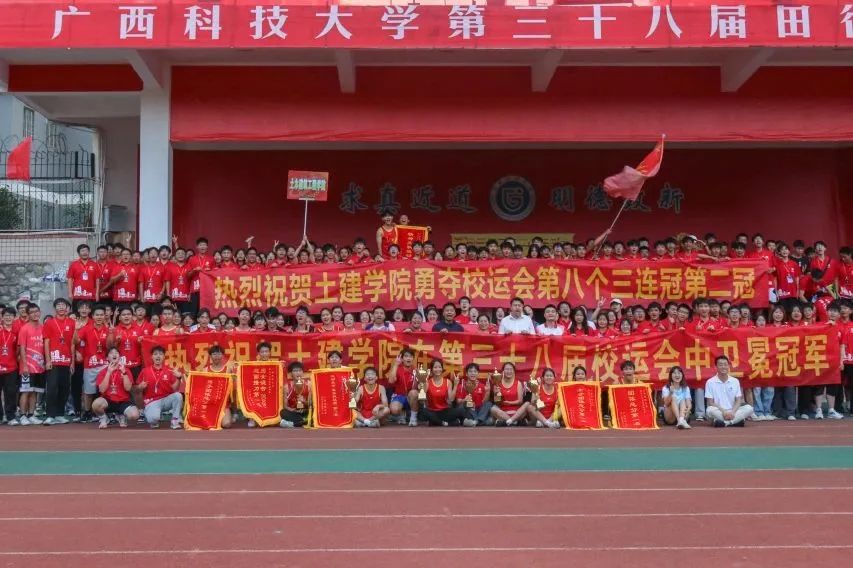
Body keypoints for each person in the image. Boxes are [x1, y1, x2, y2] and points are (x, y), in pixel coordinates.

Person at [42, 298, 75, 425]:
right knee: (52, 388)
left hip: (66, 361)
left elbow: (73, 343)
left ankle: (60, 414)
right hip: (54, 361)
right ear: (55, 308)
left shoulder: (72, 323)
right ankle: (50, 415)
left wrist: (72, 362)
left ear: (67, 308)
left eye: (63, 305)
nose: (61, 307)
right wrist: (48, 360)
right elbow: (46, 342)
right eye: (59, 305)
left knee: (64, 388)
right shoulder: (49, 323)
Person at [136, 345, 184, 429]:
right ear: (151, 357)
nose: (158, 356)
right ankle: (153, 414)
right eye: (155, 354)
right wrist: (140, 387)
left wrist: (179, 378)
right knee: (153, 420)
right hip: (152, 401)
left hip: (166, 400)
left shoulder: (169, 370)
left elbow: (175, 388)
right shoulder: (145, 371)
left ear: (164, 357)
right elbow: (136, 389)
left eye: (160, 354)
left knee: (178, 395)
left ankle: (175, 420)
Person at [92, 347, 140, 429]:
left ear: (119, 357)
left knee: (134, 415)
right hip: (108, 401)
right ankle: (104, 418)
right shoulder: (102, 372)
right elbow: (102, 390)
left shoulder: (126, 370)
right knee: (96, 404)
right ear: (107, 358)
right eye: (111, 353)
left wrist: (124, 373)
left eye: (116, 353)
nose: (114, 354)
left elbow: (128, 388)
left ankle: (122, 415)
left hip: (123, 401)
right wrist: (108, 372)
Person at [704, 355, 753, 427]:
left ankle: (725, 423)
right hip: (719, 411)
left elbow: (738, 400)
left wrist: (733, 412)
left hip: (733, 411)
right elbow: (710, 402)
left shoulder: (735, 381)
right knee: (709, 410)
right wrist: (723, 411)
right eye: (720, 365)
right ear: (716, 367)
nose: (723, 367)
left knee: (749, 408)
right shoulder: (710, 382)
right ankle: (736, 421)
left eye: (725, 364)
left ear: (728, 366)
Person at [17, 303, 45, 425]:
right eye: (32, 312)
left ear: (40, 312)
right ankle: (23, 415)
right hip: (27, 366)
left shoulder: (43, 327)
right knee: (25, 391)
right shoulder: (25, 328)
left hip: (40, 366)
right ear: (28, 314)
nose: (35, 314)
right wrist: (24, 365)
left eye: (36, 311)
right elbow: (22, 348)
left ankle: (31, 414)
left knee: (34, 391)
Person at [418, 359, 465, 426]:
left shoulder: (448, 382)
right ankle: (446, 423)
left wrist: (455, 385)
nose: (438, 369)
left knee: (461, 411)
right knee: (423, 412)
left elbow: (451, 399)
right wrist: (421, 389)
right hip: (432, 411)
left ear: (442, 369)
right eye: (435, 367)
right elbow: (421, 401)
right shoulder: (427, 383)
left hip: (444, 411)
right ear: (431, 369)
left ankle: (437, 422)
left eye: (439, 367)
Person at [490, 362, 531, 427]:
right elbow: (497, 403)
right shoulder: (498, 383)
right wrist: (495, 394)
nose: (509, 371)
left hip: (517, 413)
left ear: (514, 371)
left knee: (527, 404)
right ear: (503, 371)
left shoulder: (518, 383)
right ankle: (514, 422)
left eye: (511, 369)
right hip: (503, 412)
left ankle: (508, 421)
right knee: (493, 409)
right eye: (507, 369)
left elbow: (520, 401)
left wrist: (509, 403)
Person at [387, 348, 419, 426]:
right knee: (394, 409)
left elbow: (421, 385)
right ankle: (402, 414)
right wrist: (395, 365)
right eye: (406, 356)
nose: (408, 358)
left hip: (411, 397)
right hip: (399, 396)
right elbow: (391, 381)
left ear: (413, 358)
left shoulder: (416, 370)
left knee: (414, 393)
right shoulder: (397, 368)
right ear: (402, 358)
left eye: (410, 356)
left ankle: (413, 418)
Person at [455, 362, 491, 427]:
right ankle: (480, 421)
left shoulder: (482, 386)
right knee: (465, 405)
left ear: (478, 373)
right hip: (469, 411)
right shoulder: (461, 386)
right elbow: (458, 402)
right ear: (466, 374)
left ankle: (475, 422)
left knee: (488, 404)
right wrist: (464, 400)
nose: (473, 373)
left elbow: (484, 402)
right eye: (470, 371)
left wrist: (487, 392)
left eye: (475, 371)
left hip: (479, 410)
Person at [67, 244, 99, 311]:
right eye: (82, 251)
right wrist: (70, 293)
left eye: (86, 251)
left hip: (90, 295)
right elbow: (70, 279)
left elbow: (97, 280)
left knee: (90, 313)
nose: (85, 253)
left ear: (89, 252)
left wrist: (97, 293)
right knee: (76, 313)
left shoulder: (94, 264)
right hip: (77, 295)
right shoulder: (74, 265)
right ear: (79, 253)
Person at [1, 307, 19, 424]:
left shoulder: (17, 331)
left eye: (10, 315)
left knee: (11, 392)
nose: (8, 317)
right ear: (2, 317)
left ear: (14, 317)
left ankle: (10, 416)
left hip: (11, 367)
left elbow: (18, 349)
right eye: (6, 315)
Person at [279, 362, 311, 428]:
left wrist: (304, 401)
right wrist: (293, 410)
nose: (298, 373)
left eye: (300, 370)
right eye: (295, 371)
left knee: (314, 412)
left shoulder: (309, 384)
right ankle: (304, 421)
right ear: (291, 374)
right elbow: (285, 406)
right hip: (294, 412)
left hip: (306, 411)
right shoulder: (287, 387)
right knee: (283, 412)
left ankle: (293, 424)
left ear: (302, 372)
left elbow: (311, 404)